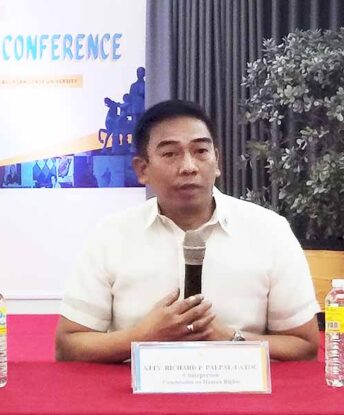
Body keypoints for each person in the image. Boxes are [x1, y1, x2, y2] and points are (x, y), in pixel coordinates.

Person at [56, 99, 320, 362]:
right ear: (142, 169)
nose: (189, 167)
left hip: (239, 388)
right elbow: (69, 344)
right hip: (136, 388)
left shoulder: (269, 230)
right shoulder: (110, 235)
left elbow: (303, 344)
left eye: (201, 151)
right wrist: (143, 337)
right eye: (170, 154)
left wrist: (231, 338)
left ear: (217, 161)